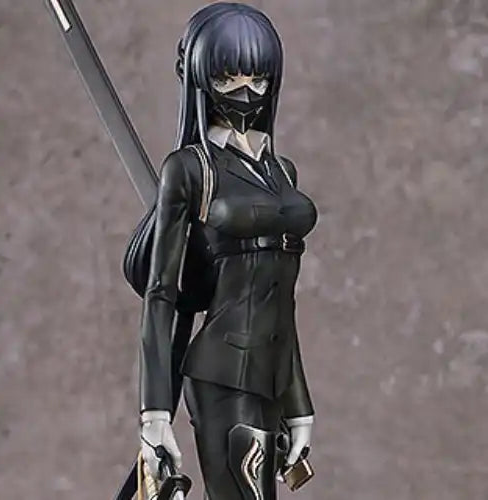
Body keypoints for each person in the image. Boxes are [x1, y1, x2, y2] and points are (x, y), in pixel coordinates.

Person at [124, 3, 318, 499]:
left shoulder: (281, 172)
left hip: (272, 379)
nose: (245, 92)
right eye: (228, 79)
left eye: (257, 79)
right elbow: (161, 295)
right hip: (221, 374)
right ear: (201, 81)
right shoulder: (191, 169)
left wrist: (299, 406)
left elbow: (284, 299)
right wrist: (154, 415)